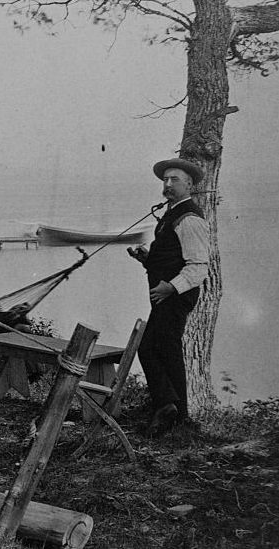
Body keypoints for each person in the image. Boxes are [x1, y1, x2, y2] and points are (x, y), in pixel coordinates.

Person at [128, 157, 209, 435]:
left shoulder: (190, 218)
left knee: (156, 348)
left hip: (175, 297)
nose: (168, 184)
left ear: (189, 184)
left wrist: (171, 287)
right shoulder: (172, 213)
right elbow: (170, 258)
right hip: (164, 296)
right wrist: (147, 259)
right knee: (158, 348)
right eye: (165, 179)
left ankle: (171, 409)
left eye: (175, 180)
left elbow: (199, 266)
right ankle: (172, 411)